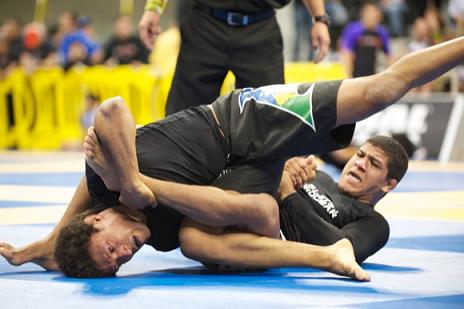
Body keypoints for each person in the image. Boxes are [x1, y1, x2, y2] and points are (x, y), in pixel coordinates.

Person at [1, 36, 463, 279]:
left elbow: (113, 109)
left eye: (112, 249)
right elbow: (259, 210)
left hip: (244, 118)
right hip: (247, 177)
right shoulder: (159, 235)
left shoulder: (104, 179)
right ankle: (326, 257)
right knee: (197, 241)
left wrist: (121, 182)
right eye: (120, 264)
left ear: (97, 220)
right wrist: (138, 187)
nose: (127, 254)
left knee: (378, 91)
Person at [138, 0, 331, 115]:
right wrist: (154, 8)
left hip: (261, 27)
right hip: (206, 25)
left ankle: (260, 180)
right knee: (182, 115)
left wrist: (319, 18)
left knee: (270, 116)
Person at [275, 136, 407, 263]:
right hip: (263, 207)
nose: (360, 164)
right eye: (360, 155)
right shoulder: (317, 176)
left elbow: (341, 249)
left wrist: (288, 196)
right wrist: (284, 167)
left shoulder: (374, 223)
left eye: (374, 163)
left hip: (274, 236)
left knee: (264, 208)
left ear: (388, 185)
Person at [340, 2, 392, 78]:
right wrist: (348, 77)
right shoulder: (353, 30)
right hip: (355, 73)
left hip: (371, 73)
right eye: (370, 16)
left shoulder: (381, 32)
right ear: (363, 15)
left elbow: (389, 55)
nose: (373, 19)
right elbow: (346, 53)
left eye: (375, 17)